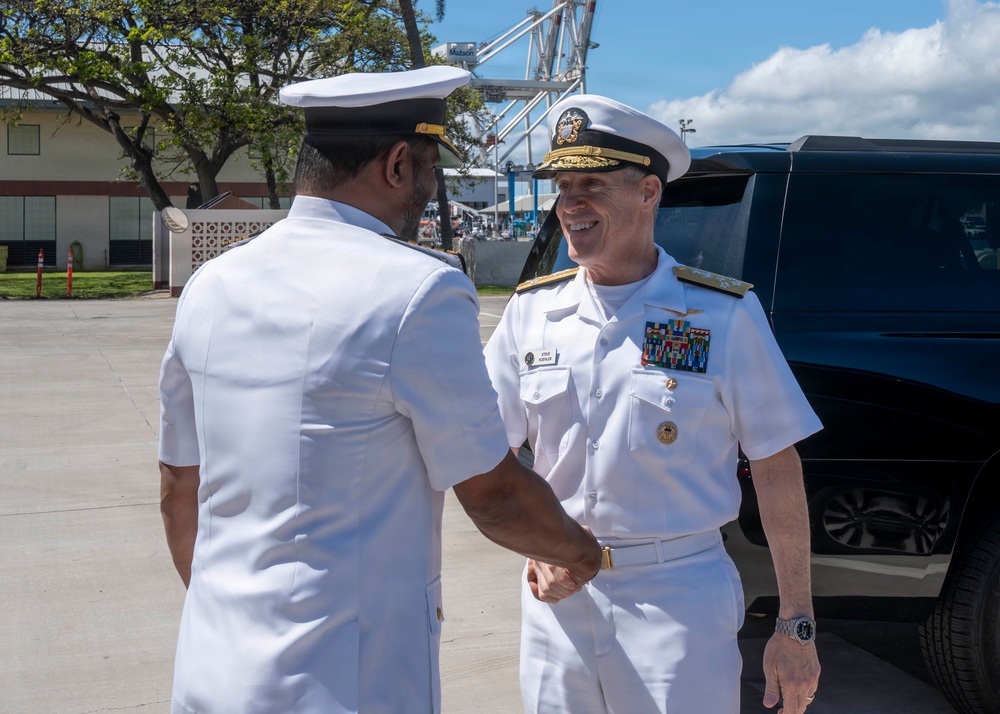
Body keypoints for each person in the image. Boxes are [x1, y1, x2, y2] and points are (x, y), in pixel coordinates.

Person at [157, 66, 601, 714]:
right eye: (428, 170)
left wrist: (239, 626)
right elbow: (496, 498)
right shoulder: (419, 291)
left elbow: (177, 491)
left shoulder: (212, 286)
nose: (426, 192)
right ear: (397, 164)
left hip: (210, 672)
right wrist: (583, 554)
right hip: (341, 686)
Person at [484, 94, 823, 714]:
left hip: (677, 601)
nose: (570, 204)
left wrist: (795, 622)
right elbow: (489, 454)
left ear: (648, 192)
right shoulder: (531, 313)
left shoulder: (720, 315)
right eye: (562, 187)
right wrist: (535, 543)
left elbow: (777, 465)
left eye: (592, 184)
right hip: (557, 603)